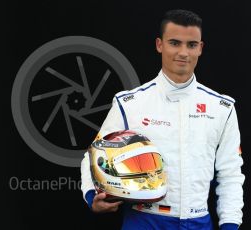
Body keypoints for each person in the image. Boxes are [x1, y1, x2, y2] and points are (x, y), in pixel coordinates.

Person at [80, 9, 244, 230]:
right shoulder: (130, 103)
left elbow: (231, 173)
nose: (183, 53)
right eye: (175, 43)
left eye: (191, 45)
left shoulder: (222, 108)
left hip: (199, 222)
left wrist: (230, 225)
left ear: (201, 48)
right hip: (144, 220)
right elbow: (94, 154)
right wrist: (91, 195)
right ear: (160, 45)